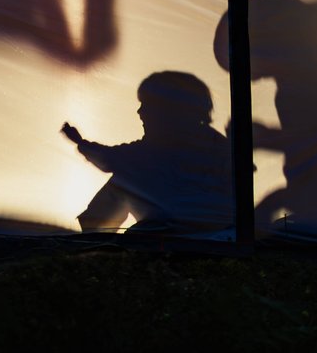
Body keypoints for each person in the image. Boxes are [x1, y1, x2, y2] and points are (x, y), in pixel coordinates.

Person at [61, 71, 230, 233]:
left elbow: (108, 159)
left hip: (171, 232)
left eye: (146, 105)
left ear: (169, 110)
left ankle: (95, 241)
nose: (140, 112)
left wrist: (79, 142)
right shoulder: (219, 145)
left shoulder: (153, 150)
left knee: (121, 181)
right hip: (223, 233)